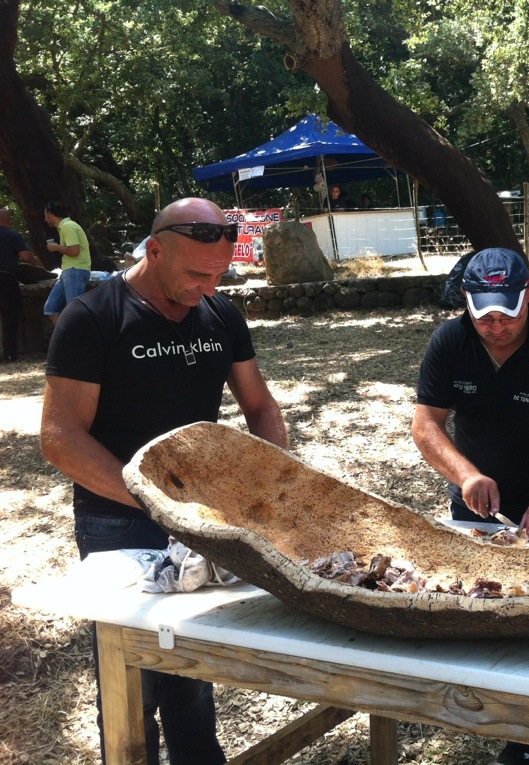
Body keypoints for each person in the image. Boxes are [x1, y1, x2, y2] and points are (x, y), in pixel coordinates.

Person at [40, 197, 289, 765]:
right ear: (154, 251)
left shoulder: (220, 314)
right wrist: (153, 500)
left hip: (198, 516)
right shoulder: (93, 318)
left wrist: (275, 483)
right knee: (130, 677)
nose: (208, 287)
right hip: (117, 520)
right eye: (196, 274)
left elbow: (260, 407)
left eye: (219, 275)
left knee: (191, 670)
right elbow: (60, 438)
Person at [412, 247, 529, 765]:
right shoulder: (450, 341)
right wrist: (465, 475)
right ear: (467, 303)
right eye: (485, 317)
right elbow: (426, 425)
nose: (496, 327)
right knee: (472, 612)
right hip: (474, 504)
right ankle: (478, 709)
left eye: (507, 315)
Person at [42, 200, 92, 325]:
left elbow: (74, 251)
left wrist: (56, 247)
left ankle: (79, 336)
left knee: (74, 311)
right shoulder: (65, 227)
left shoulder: (67, 226)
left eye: (45, 215)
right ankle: (65, 334)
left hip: (75, 270)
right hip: (68, 271)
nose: (45, 219)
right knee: (50, 308)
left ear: (50, 214)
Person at [0, 208, 34, 362]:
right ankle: (10, 354)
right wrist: (34, 260)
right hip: (7, 278)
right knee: (10, 316)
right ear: (10, 221)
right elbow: (25, 256)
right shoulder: (13, 235)